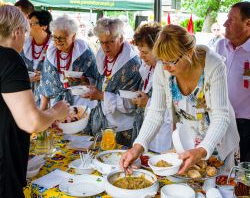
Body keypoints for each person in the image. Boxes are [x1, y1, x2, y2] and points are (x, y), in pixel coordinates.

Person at [120, 24, 239, 174]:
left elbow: (220, 116)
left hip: (219, 144)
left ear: (188, 53)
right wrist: (138, 146)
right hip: (188, 143)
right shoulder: (163, 67)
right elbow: (155, 112)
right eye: (162, 61)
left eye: (170, 61)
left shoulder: (213, 65)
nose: (165, 67)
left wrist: (203, 149)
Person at [0, 5, 69, 197]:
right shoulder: (10, 58)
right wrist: (57, 111)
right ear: (16, 32)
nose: (27, 38)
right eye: (25, 32)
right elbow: (31, 122)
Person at [82, 17, 142, 147]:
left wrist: (101, 96)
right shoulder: (102, 56)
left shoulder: (132, 64)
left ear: (121, 38)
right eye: (102, 42)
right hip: (103, 122)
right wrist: (86, 81)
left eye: (110, 42)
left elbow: (131, 103)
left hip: (123, 127)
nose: (105, 47)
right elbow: (101, 82)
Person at [39, 15, 98, 110]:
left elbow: (96, 78)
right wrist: (43, 109)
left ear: (73, 36)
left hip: (82, 103)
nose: (58, 41)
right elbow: (46, 83)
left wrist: (85, 80)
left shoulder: (85, 53)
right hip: (57, 104)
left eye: (62, 38)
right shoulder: (51, 53)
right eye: (55, 37)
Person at [217, 2, 250, 162]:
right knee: (220, 168)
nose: (225, 24)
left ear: (248, 23)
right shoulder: (220, 46)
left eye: (231, 20)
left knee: (243, 172)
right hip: (219, 119)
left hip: (246, 125)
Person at [132, 22, 172, 153]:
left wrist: (147, 103)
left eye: (145, 52)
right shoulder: (148, 68)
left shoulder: (169, 71)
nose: (141, 56)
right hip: (150, 131)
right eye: (140, 52)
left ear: (157, 49)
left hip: (165, 136)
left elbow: (173, 111)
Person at [20, 10, 52, 106]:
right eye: (28, 24)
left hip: (47, 97)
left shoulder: (55, 45)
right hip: (26, 96)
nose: (27, 27)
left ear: (44, 26)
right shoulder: (24, 43)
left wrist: (45, 75)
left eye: (31, 24)